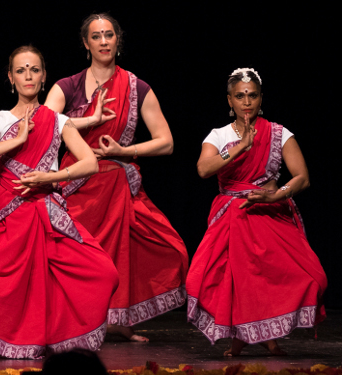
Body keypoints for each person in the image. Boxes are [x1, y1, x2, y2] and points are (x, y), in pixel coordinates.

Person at [0, 46, 118, 359]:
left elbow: (89, 163)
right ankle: (4, 339)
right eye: (21, 70)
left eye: (34, 70)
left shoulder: (57, 121)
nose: (28, 76)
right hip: (8, 214)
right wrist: (16, 140)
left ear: (43, 78)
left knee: (103, 272)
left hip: (48, 213)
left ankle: (55, 338)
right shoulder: (0, 121)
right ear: (11, 78)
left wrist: (49, 178)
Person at [43, 13, 187, 342]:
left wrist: (123, 151)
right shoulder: (67, 86)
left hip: (118, 183)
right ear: (86, 43)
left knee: (163, 249)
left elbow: (166, 142)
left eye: (109, 35)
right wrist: (90, 119)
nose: (104, 41)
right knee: (75, 256)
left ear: (117, 40)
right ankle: (71, 321)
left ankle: (118, 319)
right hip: (77, 184)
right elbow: (44, 123)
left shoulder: (136, 87)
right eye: (97, 36)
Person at [188, 68, 325, 356]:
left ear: (261, 99)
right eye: (240, 96)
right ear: (230, 101)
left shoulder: (279, 133)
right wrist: (238, 147)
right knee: (232, 279)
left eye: (252, 96)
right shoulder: (219, 135)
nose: (246, 102)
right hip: (233, 214)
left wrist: (276, 195)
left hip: (270, 212)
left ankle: (262, 335)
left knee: (312, 277)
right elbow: (203, 169)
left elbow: (302, 177)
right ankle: (246, 338)